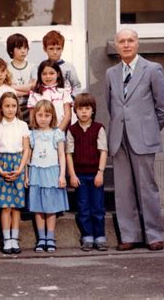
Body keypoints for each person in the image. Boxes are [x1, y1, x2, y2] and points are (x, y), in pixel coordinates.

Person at [105, 28, 164, 251]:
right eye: (121, 41)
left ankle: (153, 235)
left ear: (137, 43)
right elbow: (111, 106)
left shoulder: (152, 69)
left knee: (146, 187)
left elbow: (163, 107)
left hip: (143, 139)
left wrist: (148, 129)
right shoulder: (111, 74)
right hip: (119, 138)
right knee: (123, 190)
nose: (126, 45)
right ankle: (129, 235)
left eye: (130, 41)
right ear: (116, 45)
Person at [66, 93, 108, 251]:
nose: (84, 112)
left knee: (97, 207)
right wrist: (72, 174)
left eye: (87, 108)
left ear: (93, 110)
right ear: (75, 110)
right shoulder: (72, 130)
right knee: (83, 206)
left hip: (95, 174)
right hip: (80, 175)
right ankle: (87, 236)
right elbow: (68, 153)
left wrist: (100, 172)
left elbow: (103, 151)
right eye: (80, 108)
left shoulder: (99, 128)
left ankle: (100, 236)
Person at [0, 92, 30, 254]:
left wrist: (20, 169)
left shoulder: (22, 126)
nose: (10, 109)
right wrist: (0, 170)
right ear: (1, 108)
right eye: (7, 106)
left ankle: (15, 238)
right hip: (2, 164)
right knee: (5, 207)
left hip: (18, 164)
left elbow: (26, 149)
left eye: (13, 106)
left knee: (16, 206)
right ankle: (6, 239)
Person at [26, 99, 69, 253]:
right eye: (40, 115)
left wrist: (62, 175)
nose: (43, 118)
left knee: (50, 207)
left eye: (47, 115)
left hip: (52, 172)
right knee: (38, 207)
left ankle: (50, 237)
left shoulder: (56, 133)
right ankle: (41, 238)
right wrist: (26, 175)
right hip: (36, 172)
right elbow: (28, 157)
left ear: (52, 117)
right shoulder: (32, 134)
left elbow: (62, 156)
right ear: (35, 116)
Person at [30, 30, 81, 96]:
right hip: (45, 103)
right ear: (45, 49)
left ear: (62, 48)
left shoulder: (69, 67)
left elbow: (77, 86)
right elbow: (35, 86)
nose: (55, 52)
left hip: (66, 103)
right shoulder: (38, 67)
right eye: (51, 48)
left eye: (58, 48)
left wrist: (72, 99)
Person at [27, 60, 72, 131]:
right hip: (40, 133)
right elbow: (32, 117)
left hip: (59, 131)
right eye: (44, 74)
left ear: (58, 74)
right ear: (39, 75)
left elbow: (67, 116)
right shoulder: (35, 94)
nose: (48, 76)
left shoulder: (64, 92)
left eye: (51, 73)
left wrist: (58, 132)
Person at [6, 33, 36, 123]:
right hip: (13, 107)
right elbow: (7, 89)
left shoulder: (32, 67)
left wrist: (14, 88)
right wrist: (28, 89)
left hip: (31, 106)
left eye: (25, 48)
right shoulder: (6, 68)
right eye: (19, 48)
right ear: (11, 50)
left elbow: (34, 87)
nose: (23, 51)